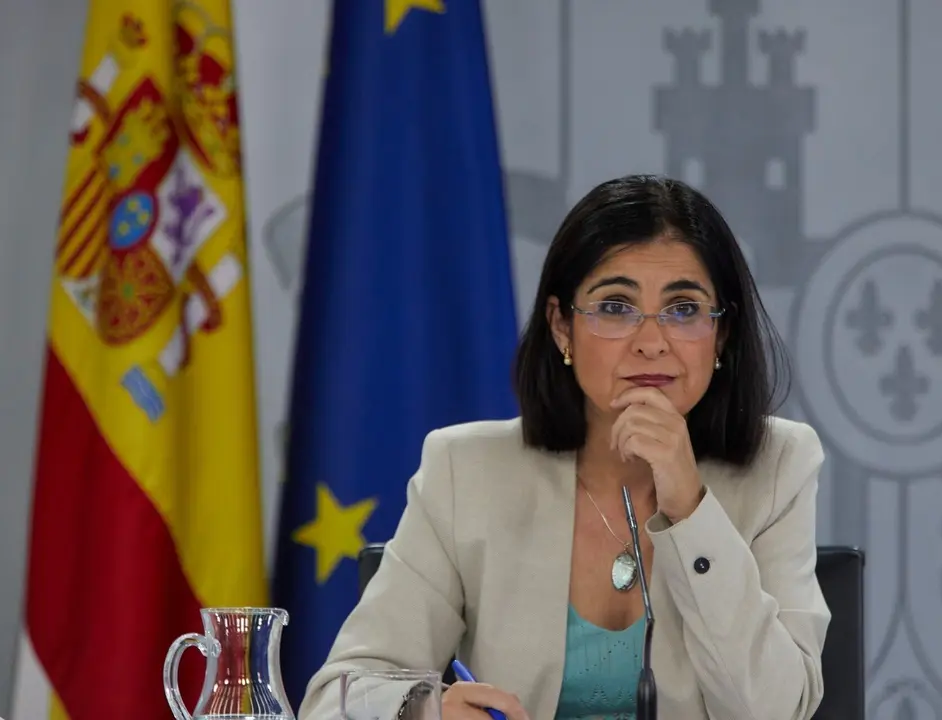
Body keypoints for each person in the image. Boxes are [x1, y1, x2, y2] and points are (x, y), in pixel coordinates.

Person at [299, 174, 831, 720]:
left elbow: (777, 710)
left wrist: (690, 508)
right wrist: (422, 712)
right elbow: (335, 699)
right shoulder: (466, 471)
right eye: (616, 307)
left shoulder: (777, 466)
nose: (652, 342)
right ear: (561, 327)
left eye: (683, 309)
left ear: (722, 333)